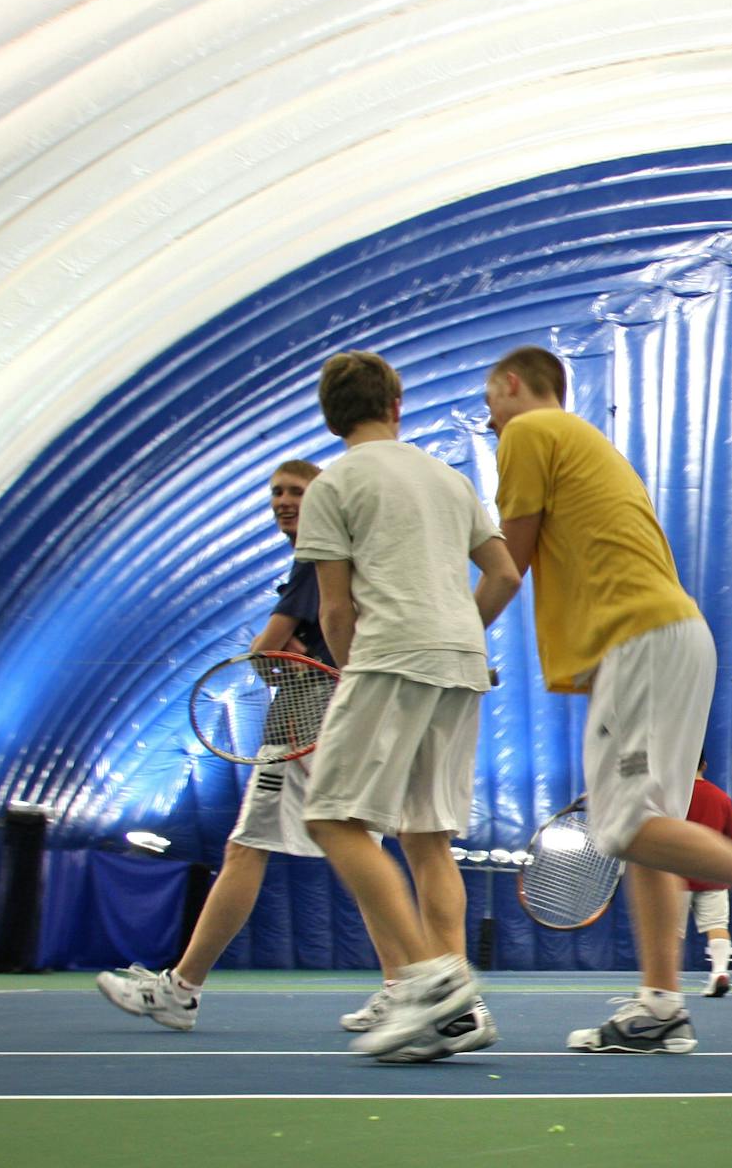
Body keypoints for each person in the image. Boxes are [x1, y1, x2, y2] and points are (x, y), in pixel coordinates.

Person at [484, 344, 732, 1055]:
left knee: (620, 827)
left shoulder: (528, 431)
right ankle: (661, 1007)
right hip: (671, 636)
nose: (490, 416)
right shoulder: (584, 444)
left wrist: (452, 638)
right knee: (647, 833)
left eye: (491, 398)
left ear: (512, 383)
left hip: (641, 639)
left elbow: (506, 564)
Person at [94, 459, 410, 1031]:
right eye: (277, 493)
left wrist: (278, 660)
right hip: (355, 716)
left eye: (298, 492)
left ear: (325, 502)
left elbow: (267, 648)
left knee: (247, 848)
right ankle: (404, 987)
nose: (285, 501)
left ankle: (181, 989)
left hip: (307, 718)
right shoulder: (343, 556)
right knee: (360, 850)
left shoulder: (320, 558)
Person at [295, 350, 522, 1062]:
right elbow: (506, 572)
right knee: (427, 837)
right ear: (395, 405)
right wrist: (456, 632)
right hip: (460, 662)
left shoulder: (333, 485)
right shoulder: (449, 477)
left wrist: (351, 670)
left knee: (332, 817)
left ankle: (429, 978)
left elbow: (335, 610)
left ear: (332, 417)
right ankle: (459, 1014)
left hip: (389, 655)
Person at [684, 759, 732, 998]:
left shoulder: (671, 797)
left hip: (674, 876)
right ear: (705, 765)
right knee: (718, 927)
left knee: (669, 931)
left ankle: (662, 988)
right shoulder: (721, 798)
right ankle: (719, 972)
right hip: (714, 876)